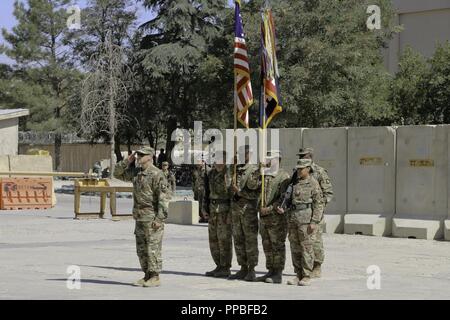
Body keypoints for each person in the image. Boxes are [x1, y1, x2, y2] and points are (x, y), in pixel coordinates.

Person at [113, 146, 170, 288]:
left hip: (152, 217)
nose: (139, 157)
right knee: (141, 249)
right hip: (139, 217)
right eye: (138, 155)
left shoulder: (157, 174)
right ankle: (147, 275)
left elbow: (164, 198)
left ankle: (155, 276)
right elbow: (117, 173)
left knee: (152, 248)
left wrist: (159, 219)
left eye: (142, 155)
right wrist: (128, 160)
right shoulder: (136, 173)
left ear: (150, 157)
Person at [277, 158, 324, 286]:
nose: (298, 170)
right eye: (297, 168)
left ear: (308, 169)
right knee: (295, 248)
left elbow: (319, 204)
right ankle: (298, 274)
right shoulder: (294, 184)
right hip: (293, 220)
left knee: (306, 249)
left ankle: (307, 275)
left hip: (306, 221)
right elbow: (288, 200)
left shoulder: (313, 183)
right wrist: (283, 208)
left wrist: (314, 221)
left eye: (301, 169)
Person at [297, 147, 333, 278]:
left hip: (315, 213)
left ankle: (317, 266)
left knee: (316, 241)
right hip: (301, 214)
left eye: (303, 156)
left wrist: (318, 208)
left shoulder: (319, 172)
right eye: (300, 156)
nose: (301, 158)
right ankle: (304, 267)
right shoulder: (298, 171)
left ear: (310, 156)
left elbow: (328, 193)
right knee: (304, 242)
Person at [256, 150, 291, 284]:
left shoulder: (283, 176)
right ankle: (270, 270)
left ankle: (278, 273)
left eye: (271, 158)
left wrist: (269, 209)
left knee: (277, 246)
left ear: (278, 160)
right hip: (264, 218)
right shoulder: (264, 174)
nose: (268, 160)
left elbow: (283, 198)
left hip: (276, 218)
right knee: (267, 245)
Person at [229, 145, 261, 281]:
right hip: (236, 211)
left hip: (248, 211)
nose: (241, 156)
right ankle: (242, 267)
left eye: (244, 153)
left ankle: (251, 269)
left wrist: (240, 192)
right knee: (238, 240)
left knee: (250, 241)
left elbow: (257, 192)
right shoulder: (236, 169)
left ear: (250, 154)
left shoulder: (254, 170)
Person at [203, 151, 233, 278]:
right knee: (213, 241)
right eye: (216, 159)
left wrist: (231, 213)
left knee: (224, 241)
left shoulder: (229, 174)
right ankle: (218, 265)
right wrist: (204, 209)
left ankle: (225, 267)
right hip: (213, 210)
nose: (217, 162)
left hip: (224, 211)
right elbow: (206, 192)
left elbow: (232, 196)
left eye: (220, 159)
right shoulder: (210, 174)